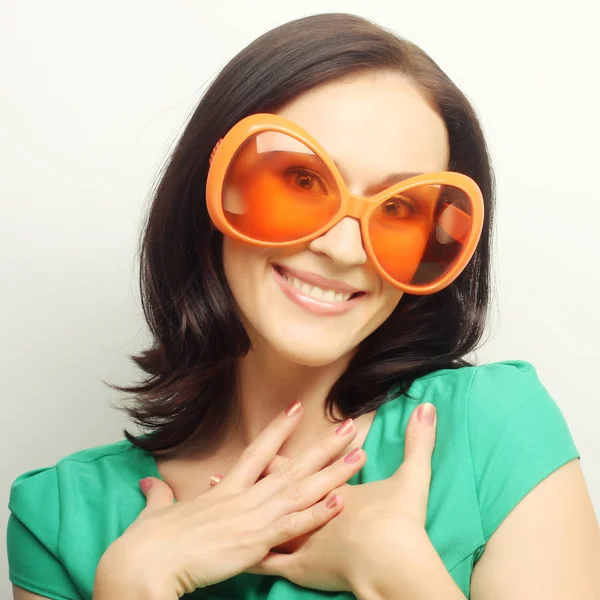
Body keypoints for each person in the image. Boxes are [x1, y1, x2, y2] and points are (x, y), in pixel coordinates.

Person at [7, 12, 600, 600]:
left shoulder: (497, 432)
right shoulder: (61, 521)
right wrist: (133, 586)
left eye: (399, 209)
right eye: (300, 180)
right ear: (215, 183)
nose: (343, 248)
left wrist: (397, 572)